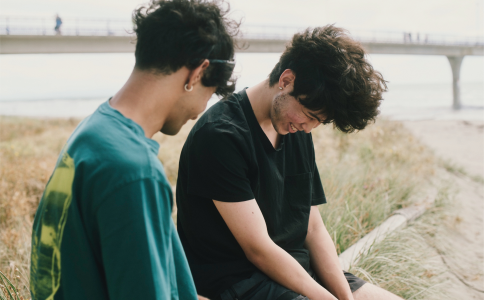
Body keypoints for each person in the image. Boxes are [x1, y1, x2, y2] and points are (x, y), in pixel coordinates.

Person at [30, 1, 238, 299]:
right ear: (196, 74)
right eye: (210, 93)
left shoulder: (94, 130)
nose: (201, 110)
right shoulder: (134, 171)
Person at [176, 25, 402, 300]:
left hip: (298, 274)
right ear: (286, 80)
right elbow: (257, 249)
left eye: (320, 122)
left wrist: (345, 297)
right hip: (241, 283)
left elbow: (312, 227)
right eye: (309, 115)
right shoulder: (221, 136)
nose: (309, 129)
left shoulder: (294, 125)